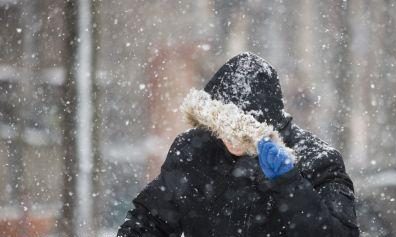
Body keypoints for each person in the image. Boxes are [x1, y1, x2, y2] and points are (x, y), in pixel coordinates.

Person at [117, 52, 359, 237]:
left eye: (242, 132)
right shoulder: (195, 152)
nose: (231, 139)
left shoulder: (318, 160)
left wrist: (290, 185)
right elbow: (148, 220)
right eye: (223, 127)